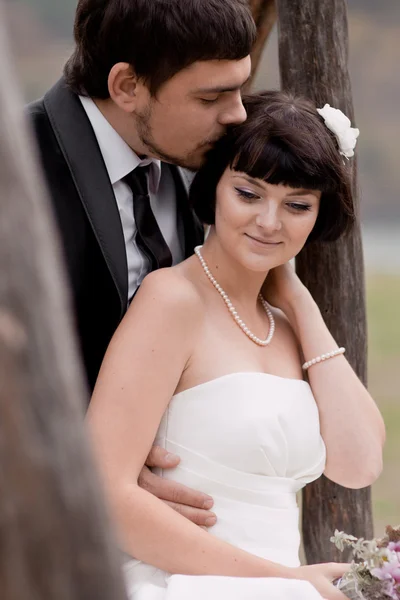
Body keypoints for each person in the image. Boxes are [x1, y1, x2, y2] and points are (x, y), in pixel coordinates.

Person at [86, 91, 386, 600]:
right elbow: (103, 493)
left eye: (297, 205)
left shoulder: (287, 326)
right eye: (249, 194)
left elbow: (358, 465)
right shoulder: (172, 300)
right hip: (180, 582)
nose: (270, 222)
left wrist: (297, 299)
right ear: (214, 189)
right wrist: (285, 583)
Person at [27, 0, 256, 528]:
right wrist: (93, 472)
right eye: (211, 96)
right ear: (127, 86)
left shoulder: (199, 159)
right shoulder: (16, 173)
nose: (238, 114)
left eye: (240, 87)